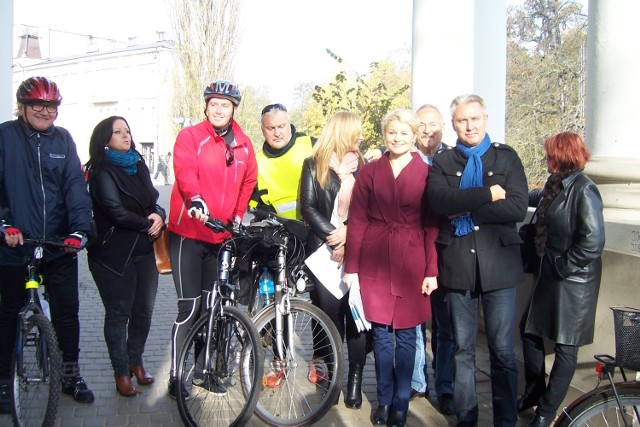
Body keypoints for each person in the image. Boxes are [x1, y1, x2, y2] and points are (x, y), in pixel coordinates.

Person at [427, 94, 528, 427]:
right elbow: (438, 202)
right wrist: (487, 193)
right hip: (458, 265)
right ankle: (467, 419)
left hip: (499, 266)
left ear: (485, 118)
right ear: (453, 124)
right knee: (463, 350)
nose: (469, 126)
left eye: (474, 118)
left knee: (502, 352)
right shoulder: (444, 162)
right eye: (461, 120)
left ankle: (506, 420)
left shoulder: (506, 157)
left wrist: (463, 204)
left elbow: (515, 207)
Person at [0, 76, 95, 411]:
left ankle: (70, 375)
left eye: (51, 106)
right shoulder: (5, 136)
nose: (44, 111)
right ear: (23, 106)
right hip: (14, 243)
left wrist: (79, 230)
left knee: (68, 313)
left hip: (57, 243)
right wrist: (5, 224)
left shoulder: (63, 140)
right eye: (37, 104)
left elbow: (74, 188)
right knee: (9, 314)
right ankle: (2, 383)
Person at [344, 109, 439, 427]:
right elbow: (357, 221)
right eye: (392, 132)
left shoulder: (426, 174)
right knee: (382, 335)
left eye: (404, 133)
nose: (397, 138)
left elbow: (431, 225)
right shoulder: (371, 172)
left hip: (412, 261)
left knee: (410, 337)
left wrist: (431, 270)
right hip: (375, 257)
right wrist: (352, 267)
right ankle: (383, 400)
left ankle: (401, 403)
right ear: (385, 135)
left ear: (414, 136)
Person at [166, 79, 257, 398]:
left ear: (234, 109)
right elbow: (185, 170)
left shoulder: (244, 144)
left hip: (219, 238)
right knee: (189, 309)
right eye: (214, 104)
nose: (219, 109)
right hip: (188, 235)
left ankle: (203, 371)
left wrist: (237, 214)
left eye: (225, 105)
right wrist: (195, 198)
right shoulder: (190, 137)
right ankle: (177, 376)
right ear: (205, 106)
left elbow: (249, 181)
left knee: (209, 309)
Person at [519, 131, 604, 427]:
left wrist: (561, 267)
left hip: (573, 282)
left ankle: (546, 411)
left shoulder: (584, 189)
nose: (546, 159)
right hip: (553, 276)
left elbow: (593, 241)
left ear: (562, 156)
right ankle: (534, 392)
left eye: (549, 154)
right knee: (528, 331)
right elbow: (535, 197)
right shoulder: (557, 186)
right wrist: (510, 190)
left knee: (567, 348)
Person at [85, 116, 166, 397]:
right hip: (112, 255)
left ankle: (136, 362)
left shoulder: (137, 163)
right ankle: (120, 372)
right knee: (119, 314)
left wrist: (160, 214)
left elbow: (152, 200)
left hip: (144, 251)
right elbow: (116, 212)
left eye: (127, 130)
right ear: (104, 138)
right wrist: (149, 223)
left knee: (143, 311)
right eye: (117, 132)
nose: (125, 135)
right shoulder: (101, 171)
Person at [299, 110, 369, 409]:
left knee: (356, 320)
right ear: (343, 132)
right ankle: (333, 375)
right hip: (323, 254)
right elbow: (309, 207)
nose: (362, 137)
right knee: (329, 318)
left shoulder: (364, 167)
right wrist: (335, 237)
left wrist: (349, 234)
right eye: (357, 131)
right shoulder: (313, 164)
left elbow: (370, 209)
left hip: (358, 252)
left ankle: (354, 380)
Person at [409, 104, 456, 415]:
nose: (427, 130)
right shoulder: (403, 158)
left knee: (445, 325)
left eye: (433, 124)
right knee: (414, 321)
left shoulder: (453, 159)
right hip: (413, 252)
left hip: (447, 252)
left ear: (443, 126)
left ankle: (447, 386)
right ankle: (416, 381)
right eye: (421, 124)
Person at [250, 103, 314, 219]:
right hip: (278, 232)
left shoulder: (312, 145)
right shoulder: (256, 162)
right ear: (262, 130)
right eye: (271, 128)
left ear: (289, 125)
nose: (277, 133)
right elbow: (253, 203)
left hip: (317, 228)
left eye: (281, 126)